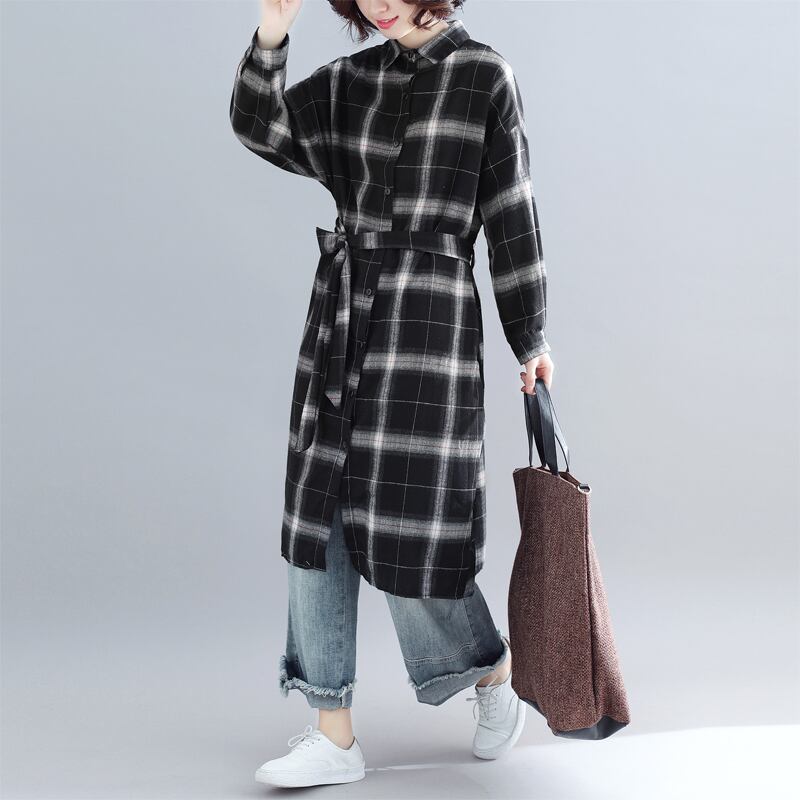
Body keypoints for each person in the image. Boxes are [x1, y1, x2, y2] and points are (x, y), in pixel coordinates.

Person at [229, 0, 555, 787]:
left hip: (427, 321)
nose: (377, 2)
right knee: (319, 515)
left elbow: (511, 210)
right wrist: (272, 35)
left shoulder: (483, 77)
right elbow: (262, 126)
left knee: (413, 529)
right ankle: (332, 732)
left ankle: (489, 671)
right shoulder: (350, 80)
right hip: (341, 317)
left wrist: (531, 337)